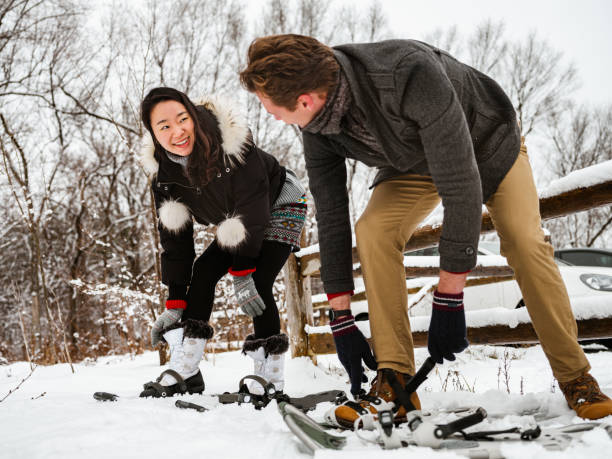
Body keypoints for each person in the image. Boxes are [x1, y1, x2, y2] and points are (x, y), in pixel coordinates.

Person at [239, 34, 612, 425]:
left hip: (487, 145)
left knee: (523, 240)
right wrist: (341, 318)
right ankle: (395, 380)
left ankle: (576, 378)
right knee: (374, 230)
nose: (270, 115)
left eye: (269, 106)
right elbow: (332, 213)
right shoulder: (316, 126)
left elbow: (460, 184)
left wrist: (449, 296)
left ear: (305, 100)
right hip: (411, 162)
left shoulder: (407, 72)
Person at [138, 87, 307, 397]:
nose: (177, 131)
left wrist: (242, 272)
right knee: (203, 271)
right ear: (153, 133)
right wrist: (175, 301)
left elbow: (253, 211)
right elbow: (175, 240)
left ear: (193, 116)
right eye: (164, 126)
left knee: (258, 280)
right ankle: (186, 369)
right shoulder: (165, 176)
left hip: (282, 203)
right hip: (239, 222)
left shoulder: (231, 148)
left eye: (182, 119)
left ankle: (270, 379)